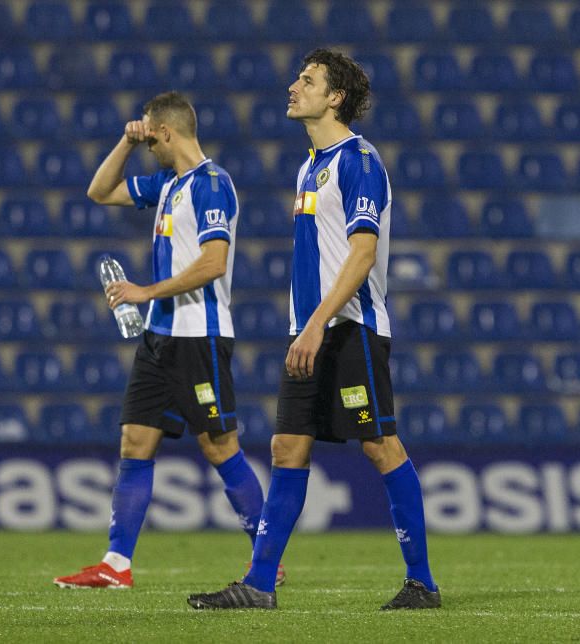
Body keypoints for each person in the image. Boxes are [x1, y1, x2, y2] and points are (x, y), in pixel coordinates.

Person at [188, 49, 440, 611]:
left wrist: (318, 324)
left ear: (336, 97)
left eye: (308, 80)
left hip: (350, 330)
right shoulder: (308, 167)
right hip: (309, 332)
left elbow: (364, 252)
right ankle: (258, 583)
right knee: (287, 446)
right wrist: (305, 327)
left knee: (379, 446)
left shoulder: (360, 160)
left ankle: (422, 583)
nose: (293, 85)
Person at [53, 91, 276, 589]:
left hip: (200, 337)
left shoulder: (212, 184)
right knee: (135, 440)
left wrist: (144, 291)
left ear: (169, 133)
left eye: (152, 137)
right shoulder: (167, 185)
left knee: (219, 446)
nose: (150, 145)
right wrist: (126, 141)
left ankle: (269, 558)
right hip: (159, 337)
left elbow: (214, 262)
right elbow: (99, 190)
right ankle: (116, 565)